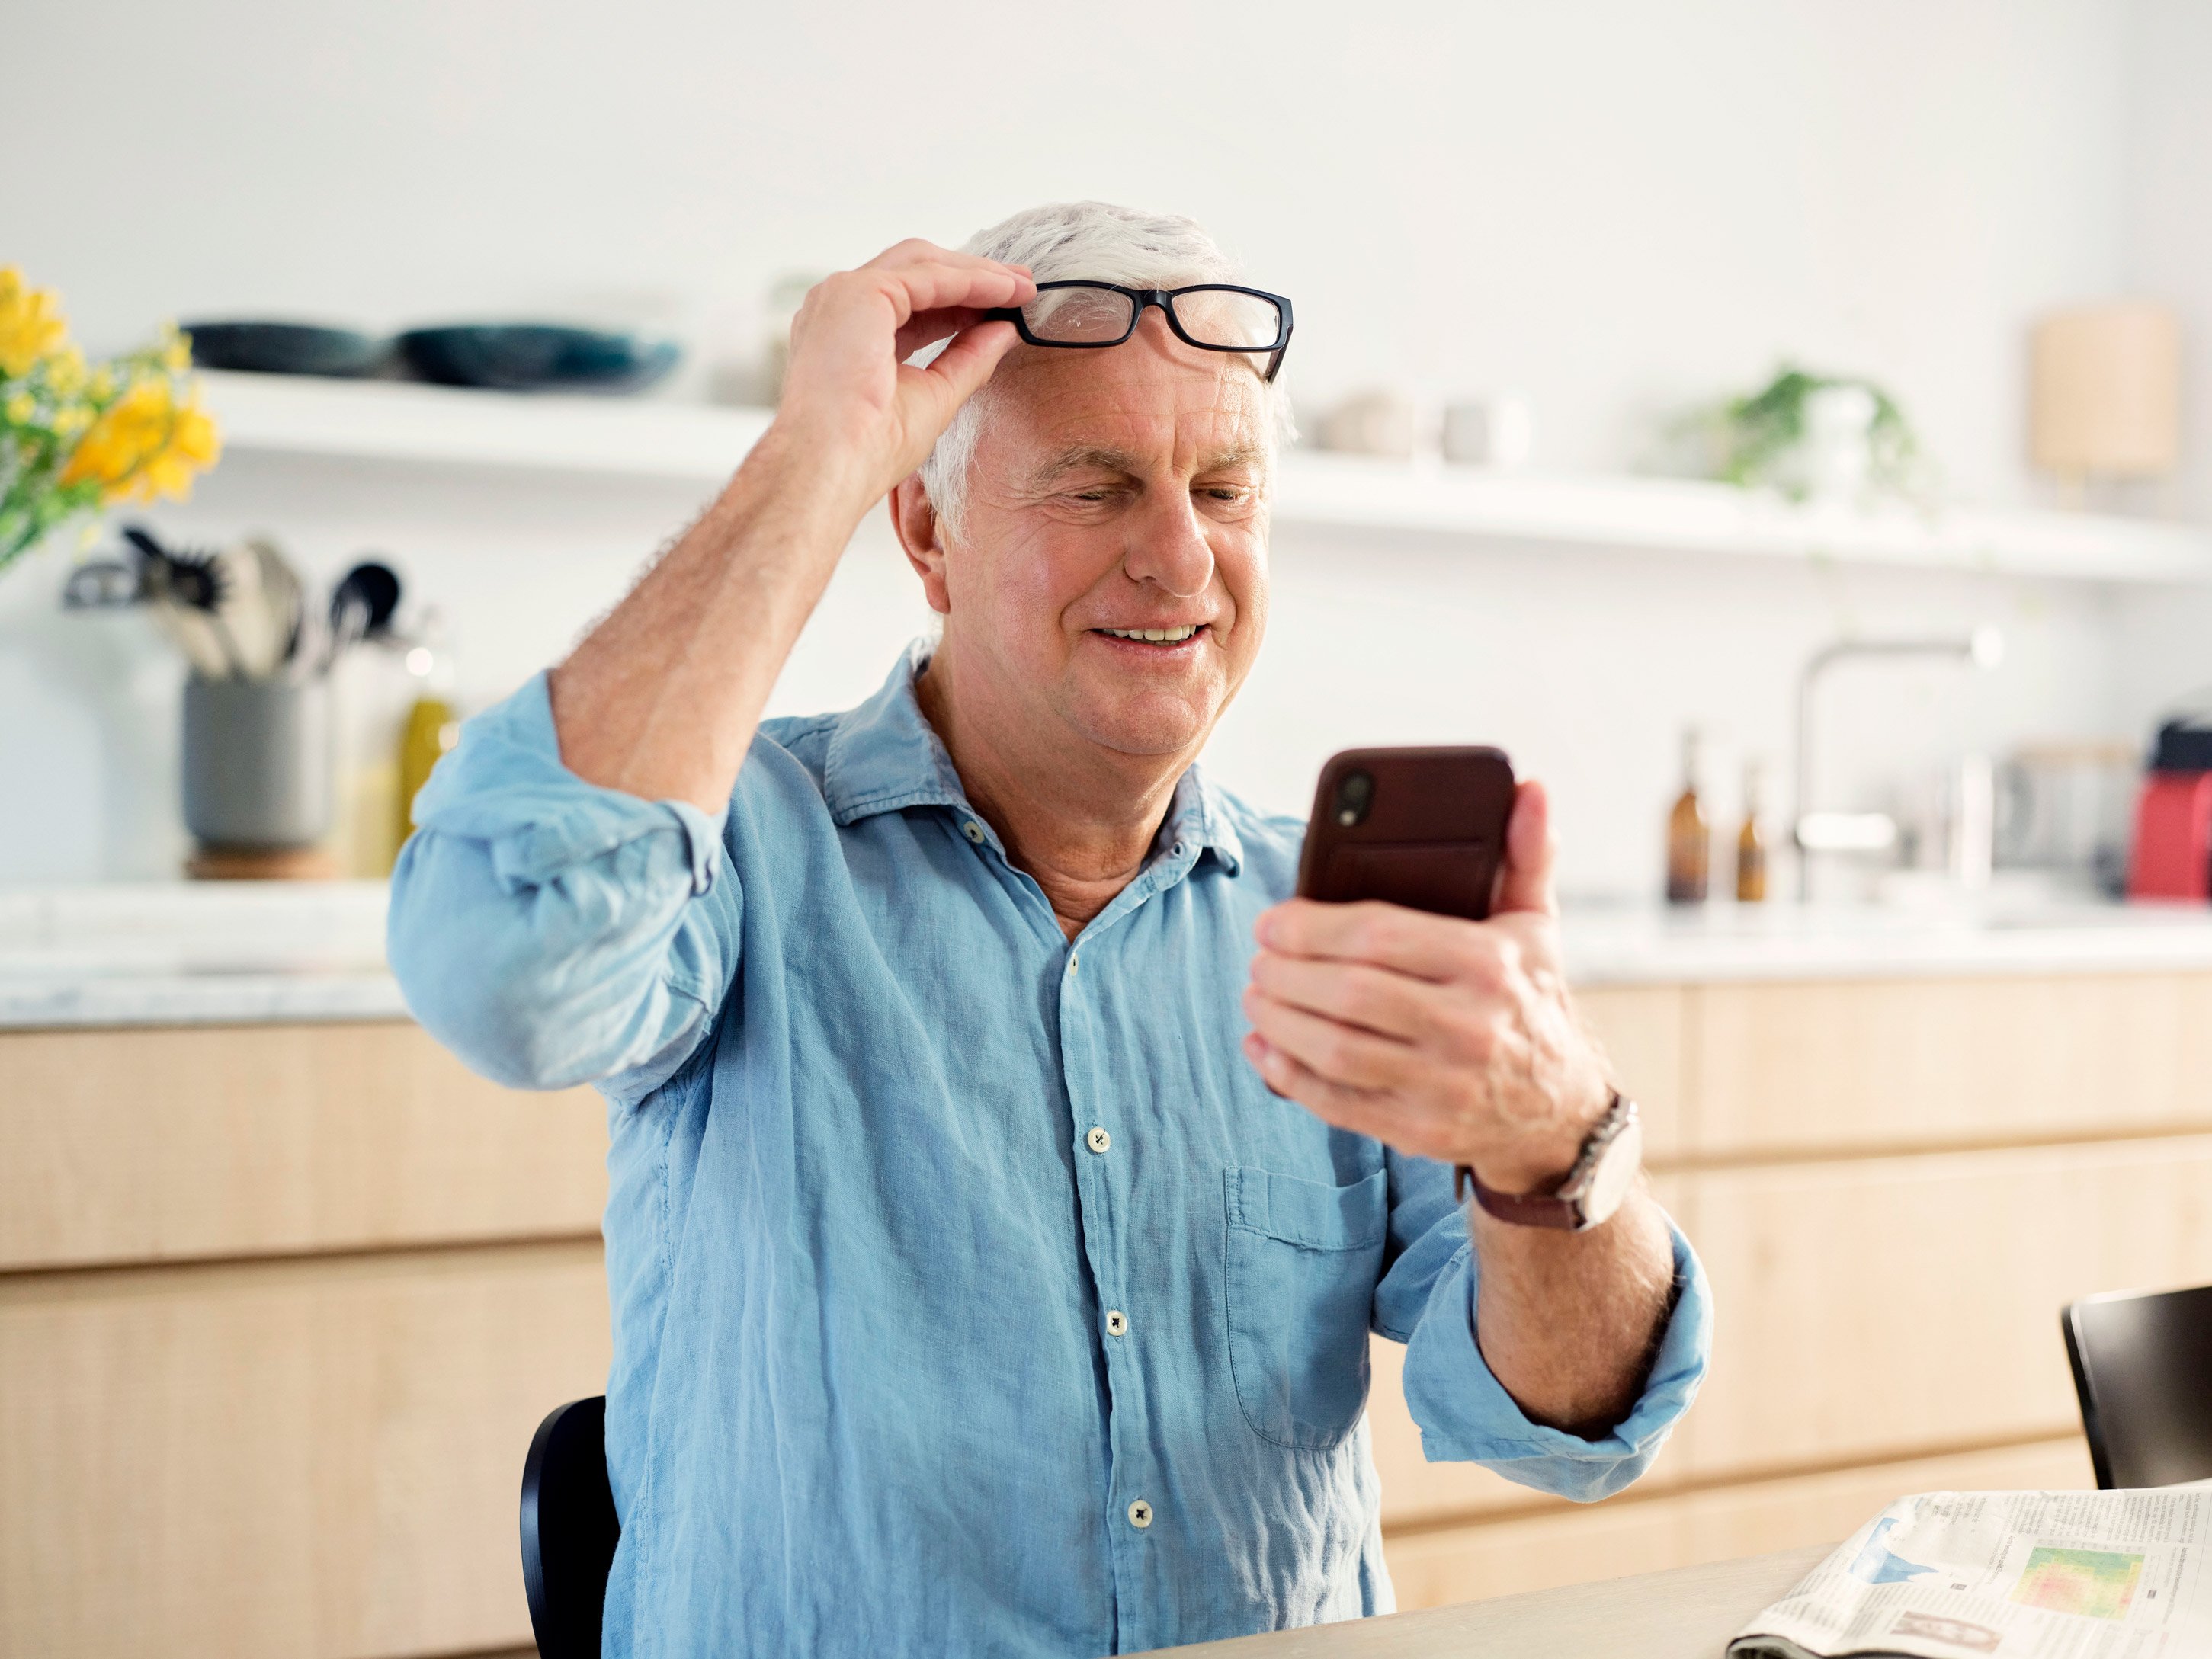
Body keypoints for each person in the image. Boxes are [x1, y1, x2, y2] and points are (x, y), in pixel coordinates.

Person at [389, 200, 1710, 1657]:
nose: (1181, 560)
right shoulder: (736, 850)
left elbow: (1569, 1425)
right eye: (1095, 487)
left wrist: (1555, 1140)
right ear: (925, 529)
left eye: (1224, 490)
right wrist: (820, 451)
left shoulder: (1325, 921)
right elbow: (502, 968)